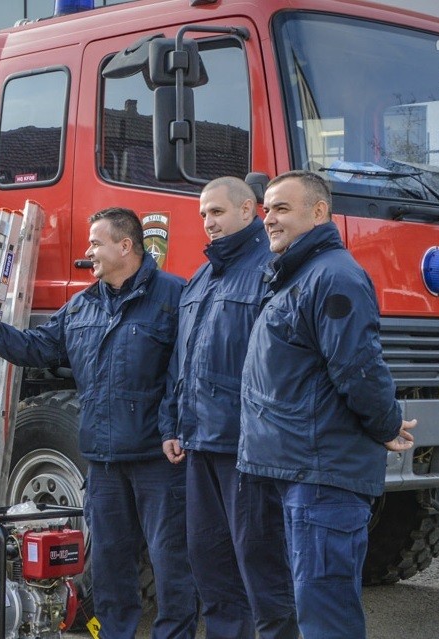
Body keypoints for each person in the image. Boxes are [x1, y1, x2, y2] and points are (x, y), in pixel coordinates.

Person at [0, 207, 197, 639]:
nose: (88, 252)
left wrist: (174, 428)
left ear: (125, 246)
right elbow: (36, 348)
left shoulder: (176, 297)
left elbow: (188, 374)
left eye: (95, 243)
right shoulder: (82, 306)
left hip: (158, 462)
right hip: (102, 464)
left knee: (172, 564)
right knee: (108, 566)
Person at [238, 170, 416, 639]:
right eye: (267, 208)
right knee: (294, 609)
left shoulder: (334, 276)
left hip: (321, 479)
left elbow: (359, 368)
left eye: (281, 208)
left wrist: (387, 423)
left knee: (325, 617)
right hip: (290, 469)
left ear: (319, 212)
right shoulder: (292, 276)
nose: (268, 218)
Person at [159, 177, 297, 639]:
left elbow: (283, 364)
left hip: (249, 451)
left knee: (263, 572)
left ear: (247, 211)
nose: (208, 222)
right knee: (211, 565)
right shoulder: (200, 278)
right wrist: (173, 423)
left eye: (216, 212)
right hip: (200, 446)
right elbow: (182, 361)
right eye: (203, 214)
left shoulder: (271, 270)